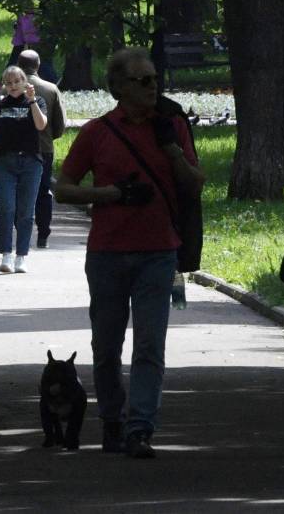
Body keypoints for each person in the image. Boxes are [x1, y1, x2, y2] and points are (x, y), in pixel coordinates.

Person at [54, 47, 204, 458]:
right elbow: (62, 187)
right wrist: (109, 195)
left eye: (155, 79)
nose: (152, 86)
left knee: (150, 346)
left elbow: (195, 185)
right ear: (118, 87)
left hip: (160, 253)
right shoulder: (98, 132)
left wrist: (171, 148)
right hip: (107, 253)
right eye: (141, 80)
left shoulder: (172, 126)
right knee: (106, 347)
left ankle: (140, 428)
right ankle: (113, 421)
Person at [0, 66, 48, 274]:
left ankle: (22, 256)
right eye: (8, 83)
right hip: (4, 163)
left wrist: (31, 101)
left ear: (24, 82)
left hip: (31, 163)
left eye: (16, 82)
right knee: (7, 208)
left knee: (26, 212)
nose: (12, 86)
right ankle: (6, 255)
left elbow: (41, 125)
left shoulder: (37, 102)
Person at [17, 50, 66, 249]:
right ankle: (43, 234)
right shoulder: (51, 89)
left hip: (17, 150)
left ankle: (21, 233)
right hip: (43, 149)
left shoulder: (9, 89)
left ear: (19, 65)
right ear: (38, 65)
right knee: (43, 191)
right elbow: (60, 126)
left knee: (19, 191)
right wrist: (47, 136)